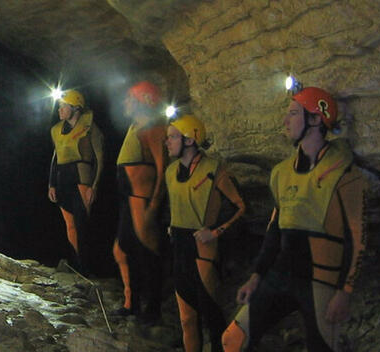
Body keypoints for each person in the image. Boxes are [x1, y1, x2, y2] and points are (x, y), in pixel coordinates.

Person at [222, 87, 367, 352]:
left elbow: (357, 238)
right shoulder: (281, 173)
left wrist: (344, 292)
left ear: (315, 119)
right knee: (232, 339)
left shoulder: (345, 174)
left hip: (320, 280)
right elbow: (274, 230)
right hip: (280, 274)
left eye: (292, 113)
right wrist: (256, 276)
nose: (285, 121)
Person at [166, 114, 246, 352]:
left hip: (203, 250)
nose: (167, 142)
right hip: (179, 249)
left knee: (211, 315)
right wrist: (172, 224)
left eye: (172, 137)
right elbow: (174, 205)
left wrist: (215, 231)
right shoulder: (170, 172)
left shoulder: (213, 170)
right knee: (187, 319)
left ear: (190, 140)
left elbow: (239, 207)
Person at [111, 81, 169, 324]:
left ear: (142, 101)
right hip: (130, 198)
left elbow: (162, 167)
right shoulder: (136, 126)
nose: (125, 103)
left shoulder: (154, 129)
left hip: (141, 199)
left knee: (148, 252)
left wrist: (154, 205)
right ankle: (131, 301)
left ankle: (153, 307)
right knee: (121, 249)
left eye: (129, 99)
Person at [47, 89, 104, 275]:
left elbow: (100, 158)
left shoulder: (90, 129)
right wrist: (51, 184)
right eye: (60, 106)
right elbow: (55, 158)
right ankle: (75, 264)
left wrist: (94, 186)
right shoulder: (56, 130)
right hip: (63, 178)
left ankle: (88, 267)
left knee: (82, 225)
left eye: (64, 106)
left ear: (76, 108)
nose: (60, 110)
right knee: (70, 225)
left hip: (81, 178)